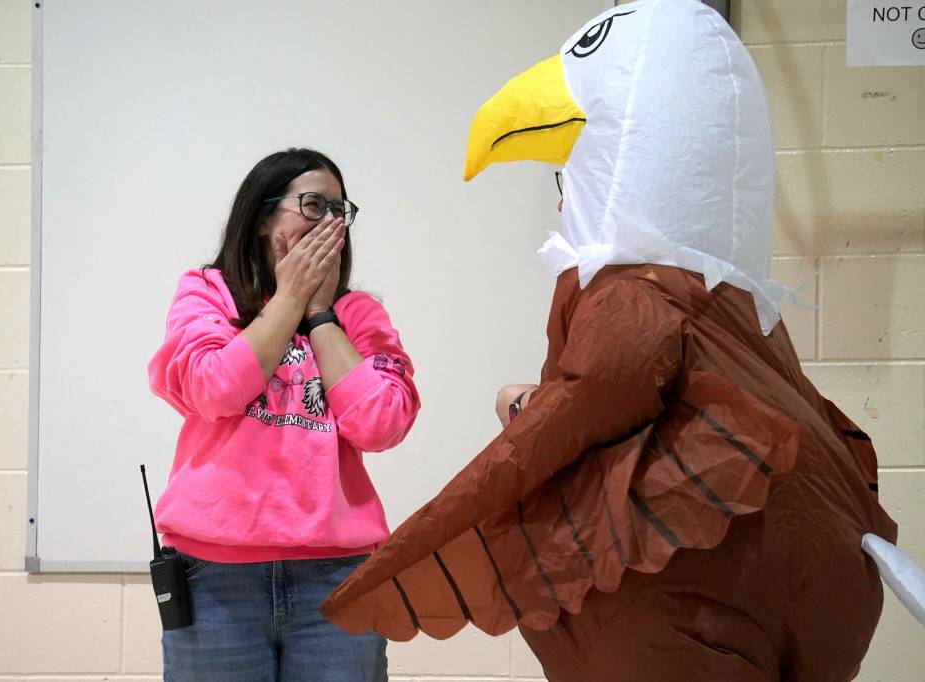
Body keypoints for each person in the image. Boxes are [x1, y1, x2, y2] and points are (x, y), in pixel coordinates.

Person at [320, 3, 899, 681]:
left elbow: (593, 397)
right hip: (823, 591)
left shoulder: (633, 294)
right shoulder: (746, 311)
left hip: (688, 614)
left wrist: (428, 541)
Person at [147, 147, 419, 681]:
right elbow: (213, 388)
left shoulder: (358, 315)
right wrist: (289, 298)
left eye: (341, 211)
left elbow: (382, 423)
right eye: (314, 206)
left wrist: (319, 315)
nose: (331, 224)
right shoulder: (208, 293)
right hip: (215, 576)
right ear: (263, 217)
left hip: (339, 576)